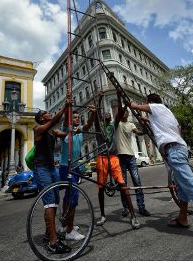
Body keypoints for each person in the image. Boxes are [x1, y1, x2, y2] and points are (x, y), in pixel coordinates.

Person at [127, 93, 193, 244]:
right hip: (176, 149)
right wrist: (144, 118)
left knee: (191, 186)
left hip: (174, 150)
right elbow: (175, 127)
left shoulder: (157, 107)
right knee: (182, 189)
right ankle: (183, 218)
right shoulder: (167, 114)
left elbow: (135, 107)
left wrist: (132, 104)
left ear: (151, 102)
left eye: (148, 105)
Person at [94, 91, 141, 229]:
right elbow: (96, 113)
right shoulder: (99, 127)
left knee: (123, 185)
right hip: (102, 158)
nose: (107, 114)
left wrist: (120, 97)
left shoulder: (114, 125)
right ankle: (102, 215)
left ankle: (133, 216)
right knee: (101, 189)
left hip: (114, 158)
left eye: (109, 113)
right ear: (102, 117)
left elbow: (120, 112)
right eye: (104, 113)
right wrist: (100, 98)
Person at [34, 96, 72, 255]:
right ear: (42, 118)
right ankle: (52, 242)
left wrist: (74, 128)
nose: (49, 113)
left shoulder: (52, 131)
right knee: (49, 203)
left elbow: (63, 131)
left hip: (51, 168)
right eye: (47, 113)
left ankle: (49, 234)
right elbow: (56, 119)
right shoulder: (38, 129)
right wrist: (64, 107)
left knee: (54, 202)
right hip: (42, 169)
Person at [59, 105, 96, 240]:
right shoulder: (66, 129)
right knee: (73, 198)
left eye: (79, 117)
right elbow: (65, 120)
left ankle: (65, 225)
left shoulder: (79, 130)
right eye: (74, 117)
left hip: (74, 167)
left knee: (68, 197)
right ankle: (69, 231)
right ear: (70, 119)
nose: (77, 119)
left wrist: (93, 113)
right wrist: (68, 105)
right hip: (65, 166)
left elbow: (89, 124)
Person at [116, 103, 151, 217]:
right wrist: (125, 105)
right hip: (121, 157)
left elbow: (139, 133)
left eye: (126, 111)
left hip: (131, 157)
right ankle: (126, 207)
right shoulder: (117, 124)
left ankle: (141, 207)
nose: (125, 113)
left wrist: (144, 129)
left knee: (137, 182)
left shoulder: (131, 125)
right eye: (123, 111)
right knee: (123, 184)